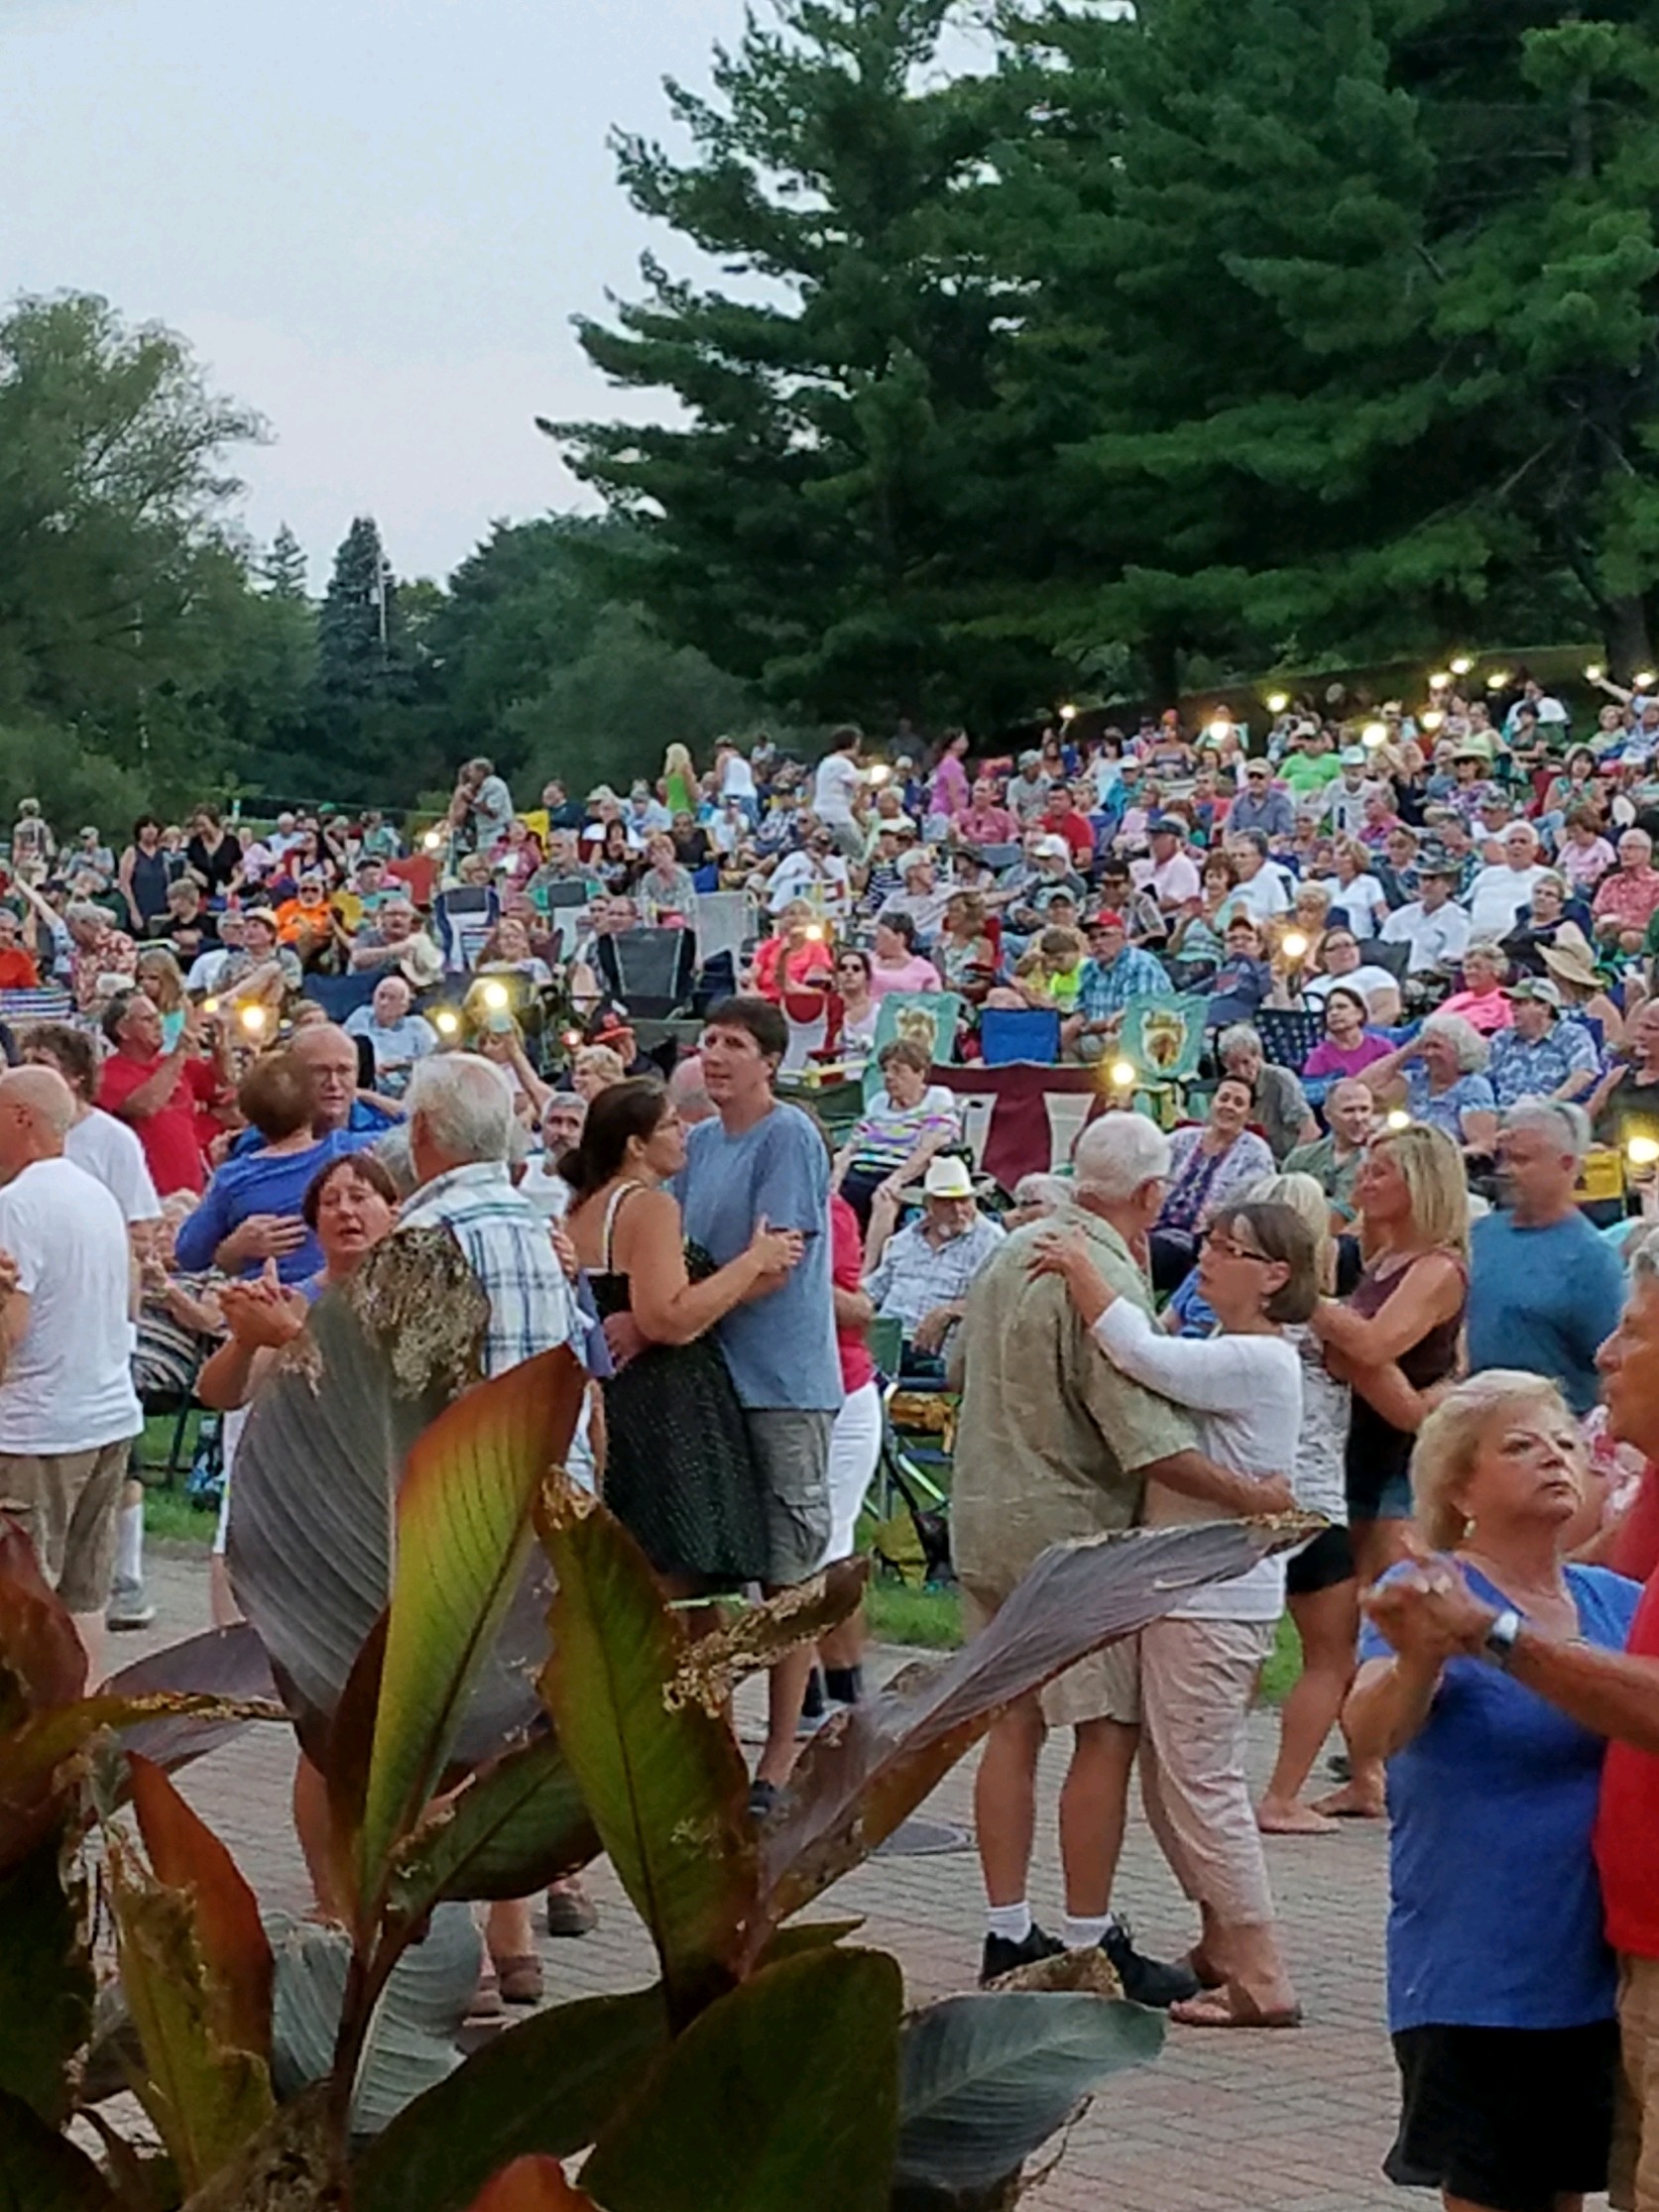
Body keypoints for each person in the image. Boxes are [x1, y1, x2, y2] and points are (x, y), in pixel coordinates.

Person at [952, 1112, 1293, 2000]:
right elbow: (1143, 1435)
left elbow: (955, 1364)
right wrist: (1252, 1496)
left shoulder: (1008, 1248)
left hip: (983, 1513)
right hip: (1072, 1534)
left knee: (1011, 1727)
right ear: (1150, 1195)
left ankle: (1003, 1929)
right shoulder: (1100, 1270)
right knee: (1103, 1730)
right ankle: (1086, 1937)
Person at [1345, 1372, 1639, 2212]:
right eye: (1519, 1444)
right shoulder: (1432, 1592)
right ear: (1459, 1486)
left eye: (1565, 1441)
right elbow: (1369, 1730)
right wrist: (1420, 1658)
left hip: (1593, 1971)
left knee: (1561, 2197)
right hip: (1482, 1978)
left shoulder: (1614, 1602)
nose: (1553, 1455)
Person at [1030, 1195, 1313, 2028]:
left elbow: (1137, 1353)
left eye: (1230, 1249)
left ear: (1275, 1276)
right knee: (1175, 1780)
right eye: (1210, 1243)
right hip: (1194, 1592)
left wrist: (1084, 1268)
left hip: (1214, 1603)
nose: (1209, 1259)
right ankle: (1221, 1940)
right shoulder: (1234, 1349)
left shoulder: (1259, 1359)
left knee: (1201, 1782)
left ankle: (1261, 1971)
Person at [399, 1052, 597, 1989]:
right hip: (556, 1491)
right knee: (519, 1717)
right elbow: (587, 1354)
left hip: (464, 1500)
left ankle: (456, 1957)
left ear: (422, 1135)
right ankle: (512, 1942)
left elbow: (406, 1388)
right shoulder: (541, 1222)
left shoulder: (426, 1230)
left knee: (446, 1725)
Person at [669, 997, 843, 1809]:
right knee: (705, 1567)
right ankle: (713, 1739)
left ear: (769, 1061)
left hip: (780, 1382)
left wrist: (686, 1303)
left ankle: (781, 1753)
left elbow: (775, 1262)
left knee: (785, 1575)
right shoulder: (698, 1143)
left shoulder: (789, 1136)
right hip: (708, 1382)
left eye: (734, 1044)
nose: (716, 1056)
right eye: (708, 1041)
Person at [562, 1078, 798, 1592]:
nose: (684, 1132)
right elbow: (668, 1318)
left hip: (613, 1394)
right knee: (673, 1579)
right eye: (670, 1123)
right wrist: (755, 1259)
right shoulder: (649, 1207)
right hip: (663, 1410)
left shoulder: (582, 1208)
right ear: (636, 1145)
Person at [1311, 1122, 1469, 1819]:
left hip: (1400, 1457)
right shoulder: (1377, 1258)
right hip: (1365, 1440)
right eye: (1365, 1168)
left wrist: (1311, 1309)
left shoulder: (1434, 1267)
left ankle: (1391, 1759)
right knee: (1353, 1606)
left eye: (1382, 1171)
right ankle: (1366, 1767)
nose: (1364, 1179)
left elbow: (1372, 1344)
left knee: (1386, 1600)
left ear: (1419, 1185)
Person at [0, 1067, 143, 1673]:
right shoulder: (97, 1195)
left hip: (37, 1432)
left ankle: (28, 1752)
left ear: (20, 1118)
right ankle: (80, 1746)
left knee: (21, 1609)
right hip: (107, 1415)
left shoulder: (14, 1205)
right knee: (85, 1595)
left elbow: (10, 1333)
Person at [1247, 1174, 1358, 1837]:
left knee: (1249, 1645)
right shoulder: (1326, 1327)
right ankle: (1282, 1793)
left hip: (1257, 1501)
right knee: (1329, 1654)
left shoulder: (1242, 1324)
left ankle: (1363, 1773)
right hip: (1318, 1500)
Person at [1466, 1103, 1626, 1415]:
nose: (1506, 1171)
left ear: (1566, 1164)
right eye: (1505, 1158)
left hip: (1548, 1429)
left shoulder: (1592, 1260)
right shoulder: (1481, 1233)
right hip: (1473, 1422)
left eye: (1522, 1160)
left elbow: (1614, 1365)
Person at [176, 1054, 380, 1284]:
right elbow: (413, 1127)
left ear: (249, 1114)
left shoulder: (233, 1178)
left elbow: (188, 1254)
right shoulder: (352, 1150)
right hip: (339, 1293)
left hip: (264, 1299)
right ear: (313, 1103)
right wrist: (373, 1098)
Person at [862, 1154, 1004, 1360]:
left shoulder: (992, 1241)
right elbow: (872, 1291)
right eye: (946, 1202)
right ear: (928, 1204)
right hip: (888, 1346)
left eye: (964, 1200)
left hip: (943, 1355)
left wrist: (949, 1311)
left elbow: (1003, 1299)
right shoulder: (904, 1241)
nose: (958, 1210)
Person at [1149, 1077, 1275, 1293]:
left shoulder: (1256, 1154)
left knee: (1149, 1253)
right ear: (1212, 1102)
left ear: (1249, 1114)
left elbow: (1251, 1208)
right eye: (1224, 1098)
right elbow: (1147, 1167)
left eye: (1238, 1103)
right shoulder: (1182, 1138)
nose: (1229, 1106)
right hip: (1150, 1225)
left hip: (1198, 1242)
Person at [96, 990, 225, 1197]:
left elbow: (223, 1082)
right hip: (148, 1194)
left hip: (193, 1189)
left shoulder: (171, 1063)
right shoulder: (107, 1073)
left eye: (159, 1017)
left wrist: (221, 1045)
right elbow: (145, 1106)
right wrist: (180, 1051)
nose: (159, 1025)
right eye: (148, 1019)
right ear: (123, 1030)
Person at [830, 1038, 959, 1227]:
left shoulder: (937, 1099)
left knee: (883, 1199)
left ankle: (870, 1258)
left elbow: (928, 1149)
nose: (888, 1077)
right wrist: (835, 1179)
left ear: (920, 1073)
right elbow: (851, 1146)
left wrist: (896, 1179)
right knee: (828, 1199)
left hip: (903, 1175)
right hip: (859, 1173)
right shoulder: (879, 1102)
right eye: (885, 1070)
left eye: (898, 1070)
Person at [1363, 1012, 1499, 1156]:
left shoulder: (1473, 1087)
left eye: (1436, 1047)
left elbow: (1483, 1145)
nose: (1429, 1053)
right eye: (1426, 1047)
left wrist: (1437, 1158)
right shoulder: (1417, 1080)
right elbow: (1363, 1087)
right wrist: (1408, 1050)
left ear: (1460, 1049)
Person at [1486, 975, 1600, 1106]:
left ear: (1545, 1008)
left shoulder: (1571, 1034)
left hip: (1553, 1115)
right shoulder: (1502, 1039)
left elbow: (1584, 1073)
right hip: (1505, 1115)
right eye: (1512, 1003)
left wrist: (1549, 1103)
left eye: (1521, 1003)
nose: (1512, 1008)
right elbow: (1480, 1077)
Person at [1217, 1023, 1317, 1163]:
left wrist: (1290, 1165)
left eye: (1246, 1062)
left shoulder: (1281, 1079)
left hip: (1285, 1160)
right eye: (1233, 1065)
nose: (1241, 1071)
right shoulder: (1228, 1088)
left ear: (1259, 1056)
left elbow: (1310, 1131)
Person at [1282, 1075, 1375, 1222]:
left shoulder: (1380, 1159)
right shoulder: (1300, 1158)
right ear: (1328, 1115)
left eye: (1364, 1109)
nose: (1358, 1118)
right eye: (1348, 1110)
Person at [343, 973, 438, 1100]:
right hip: (365, 1089)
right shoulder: (360, 1017)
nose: (383, 1003)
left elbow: (434, 1062)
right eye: (381, 996)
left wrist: (405, 1064)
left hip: (405, 1092)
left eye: (391, 998)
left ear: (404, 1006)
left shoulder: (418, 1027)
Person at [1380, 854, 1474, 975]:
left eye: (1433, 879)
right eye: (1423, 878)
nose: (1427, 884)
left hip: (1431, 980)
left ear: (1449, 886)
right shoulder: (1400, 916)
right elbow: (1383, 949)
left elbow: (1452, 959)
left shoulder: (1459, 920)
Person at [1301, 986, 1393, 1084]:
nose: (1334, 1013)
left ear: (1360, 1013)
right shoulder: (1320, 1056)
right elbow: (1308, 1091)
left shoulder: (1381, 1047)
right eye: (1329, 1009)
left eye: (1341, 1007)